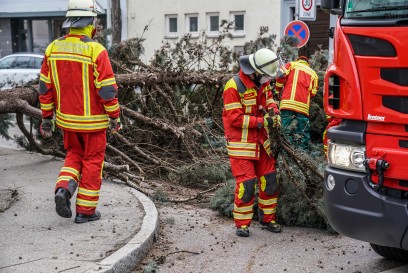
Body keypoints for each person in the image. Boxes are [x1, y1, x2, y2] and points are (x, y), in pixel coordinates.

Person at [38, 0, 121, 224]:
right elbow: (107, 91)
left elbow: (45, 88)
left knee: (74, 155)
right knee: (93, 162)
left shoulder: (53, 48)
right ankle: (85, 211)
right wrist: (115, 117)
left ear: (70, 22)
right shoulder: (96, 50)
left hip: (67, 122)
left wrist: (47, 118)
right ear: (91, 22)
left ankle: (63, 190)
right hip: (93, 124)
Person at [222, 48, 284, 237]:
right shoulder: (233, 87)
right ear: (255, 72)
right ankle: (242, 224)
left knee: (270, 181)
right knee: (247, 185)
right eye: (265, 76)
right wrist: (262, 122)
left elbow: (269, 99)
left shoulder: (261, 83)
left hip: (261, 142)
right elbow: (235, 119)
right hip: (241, 145)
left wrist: (274, 111)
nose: (268, 80)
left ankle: (268, 219)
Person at [275, 56, 319, 151]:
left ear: (298, 60)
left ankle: (286, 152)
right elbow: (313, 93)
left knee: (285, 129)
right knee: (302, 132)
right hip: (302, 107)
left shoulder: (291, 65)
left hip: (287, 103)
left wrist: (277, 90)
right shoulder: (313, 74)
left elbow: (280, 76)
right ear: (308, 63)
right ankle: (302, 154)